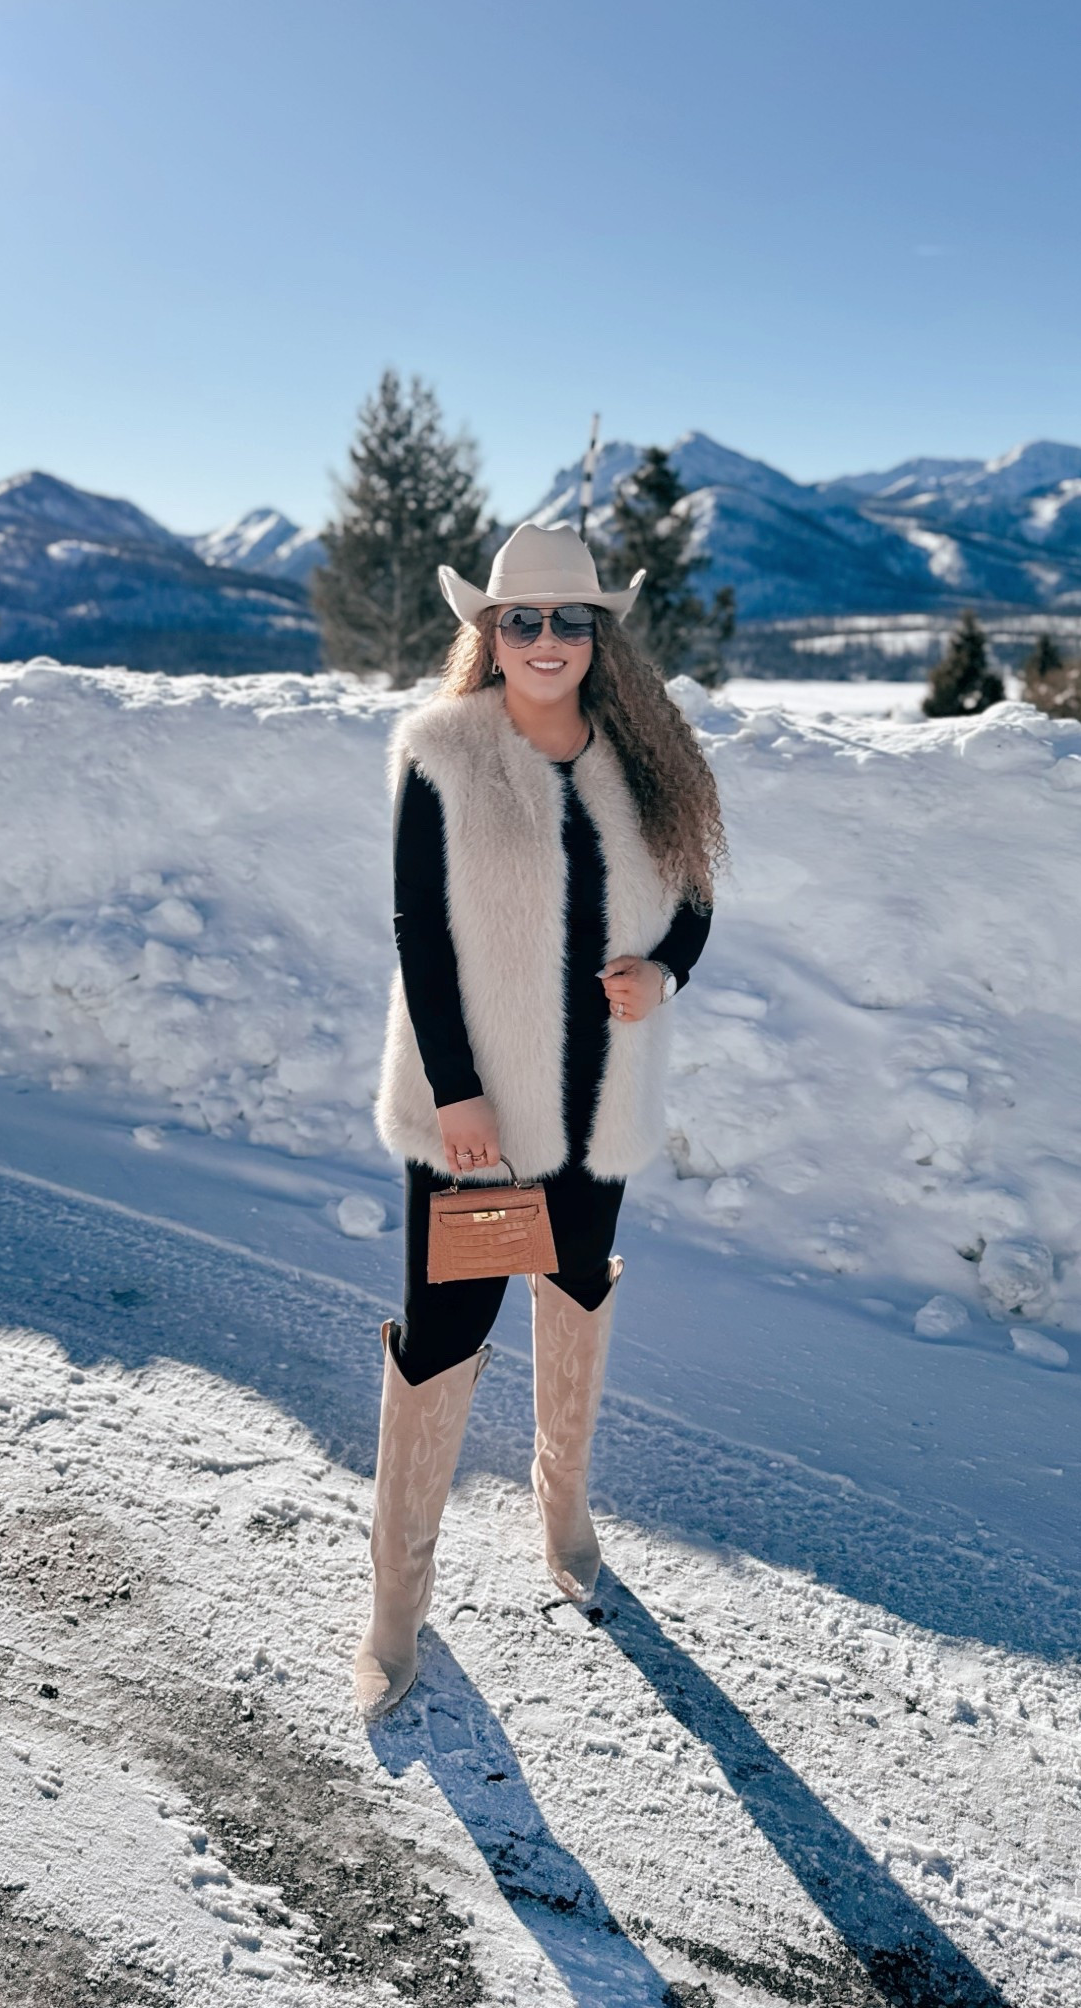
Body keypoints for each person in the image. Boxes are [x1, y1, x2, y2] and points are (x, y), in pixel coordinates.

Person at [353, 522, 726, 1722]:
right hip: (480, 1117)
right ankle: (394, 1610)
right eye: (526, 619)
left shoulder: (648, 760)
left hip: (598, 1107)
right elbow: (418, 931)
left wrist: (665, 970)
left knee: (576, 1291)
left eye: (573, 619)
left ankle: (562, 1511)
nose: (549, 640)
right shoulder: (440, 754)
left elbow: (696, 902)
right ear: (489, 631)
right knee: (445, 1333)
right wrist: (456, 1092)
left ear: (599, 635)